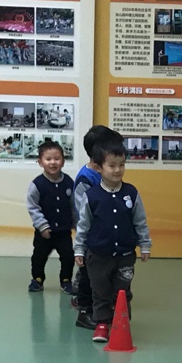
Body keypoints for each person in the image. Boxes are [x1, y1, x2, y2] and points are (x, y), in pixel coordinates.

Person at [73, 136, 151, 344]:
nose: (117, 170)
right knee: (100, 291)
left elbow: (140, 221)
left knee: (122, 290)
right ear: (99, 168)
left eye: (122, 165)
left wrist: (145, 244)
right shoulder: (92, 195)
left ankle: (121, 321)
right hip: (98, 255)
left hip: (125, 254)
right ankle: (102, 323)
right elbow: (83, 225)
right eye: (112, 165)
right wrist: (79, 249)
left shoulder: (131, 193)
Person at [70, 125, 120, 327]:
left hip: (104, 234)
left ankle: (102, 304)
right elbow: (84, 211)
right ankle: (84, 310)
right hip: (91, 235)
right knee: (88, 274)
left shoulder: (105, 172)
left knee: (101, 272)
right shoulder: (86, 178)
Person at [26, 139, 75, 294]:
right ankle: (37, 279)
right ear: (40, 162)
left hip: (64, 231)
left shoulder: (69, 182)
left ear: (63, 161)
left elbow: (74, 205)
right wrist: (42, 226)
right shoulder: (37, 184)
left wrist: (77, 224)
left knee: (68, 256)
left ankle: (66, 280)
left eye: (57, 158)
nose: (53, 162)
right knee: (39, 257)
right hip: (44, 232)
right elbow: (33, 207)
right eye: (48, 159)